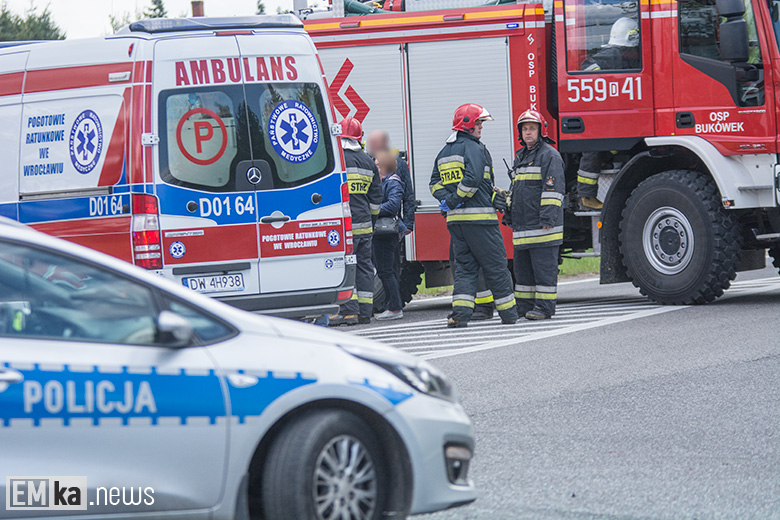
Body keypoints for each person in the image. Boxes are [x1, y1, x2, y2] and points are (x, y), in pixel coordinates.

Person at [429, 103, 518, 328]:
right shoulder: (474, 148)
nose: (481, 127)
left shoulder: (444, 152)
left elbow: (433, 184)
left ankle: (460, 315)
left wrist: (448, 200)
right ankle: (509, 314)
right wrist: (455, 199)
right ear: (467, 125)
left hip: (456, 222)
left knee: (465, 268)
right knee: (496, 266)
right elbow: (473, 179)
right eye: (478, 123)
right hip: (481, 222)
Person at [505, 109, 565, 320]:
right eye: (524, 129)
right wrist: (509, 213)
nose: (528, 132)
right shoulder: (521, 157)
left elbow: (553, 190)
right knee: (523, 273)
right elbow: (517, 191)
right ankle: (524, 307)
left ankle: (544, 308)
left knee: (543, 271)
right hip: (523, 228)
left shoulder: (549, 155)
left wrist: (547, 218)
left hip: (543, 228)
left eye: (532, 128)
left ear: (541, 131)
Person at [577, 16, 640, 210]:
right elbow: (586, 69)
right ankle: (586, 195)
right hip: (599, 112)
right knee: (594, 148)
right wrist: (607, 84)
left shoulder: (625, 55)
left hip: (617, 112)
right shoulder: (613, 54)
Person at [330, 117, 382, 326]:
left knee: (346, 267)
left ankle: (349, 311)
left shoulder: (336, 159)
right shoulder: (368, 161)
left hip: (344, 228)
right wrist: (371, 220)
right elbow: (376, 199)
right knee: (365, 268)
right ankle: (365, 312)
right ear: (359, 138)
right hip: (365, 226)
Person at [373, 150, 405, 321]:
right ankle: (391, 306)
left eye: (377, 165)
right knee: (385, 270)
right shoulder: (384, 182)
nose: (375, 168)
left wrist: (372, 210)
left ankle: (394, 307)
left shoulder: (393, 182)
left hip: (386, 233)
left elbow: (393, 205)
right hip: (382, 233)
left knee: (386, 271)